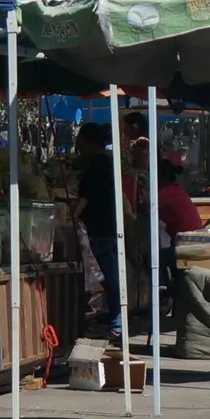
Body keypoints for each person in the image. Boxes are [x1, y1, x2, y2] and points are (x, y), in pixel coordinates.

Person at [71, 122, 122, 333]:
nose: (78, 146)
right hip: (108, 225)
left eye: (80, 141)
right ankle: (114, 314)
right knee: (109, 273)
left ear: (90, 142)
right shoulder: (107, 162)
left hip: (100, 228)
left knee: (106, 275)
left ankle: (117, 318)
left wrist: (72, 217)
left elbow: (86, 196)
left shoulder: (99, 164)